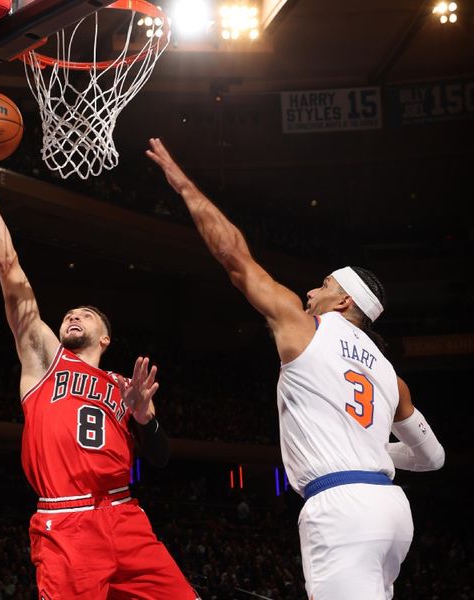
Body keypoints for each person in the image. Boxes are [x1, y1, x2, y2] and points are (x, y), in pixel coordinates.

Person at [146, 137, 445, 600]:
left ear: (344, 301)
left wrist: (185, 187)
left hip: (341, 507)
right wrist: (379, 455)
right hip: (391, 512)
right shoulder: (391, 376)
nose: (311, 292)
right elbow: (433, 458)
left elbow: (235, 261)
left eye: (323, 285)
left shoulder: (305, 327)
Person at [0, 127, 198, 600]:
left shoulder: (126, 384)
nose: (72, 315)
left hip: (125, 516)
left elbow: (162, 457)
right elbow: (9, 266)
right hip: (66, 518)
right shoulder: (45, 358)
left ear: (105, 337)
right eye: (69, 313)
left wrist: (144, 417)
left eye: (85, 314)